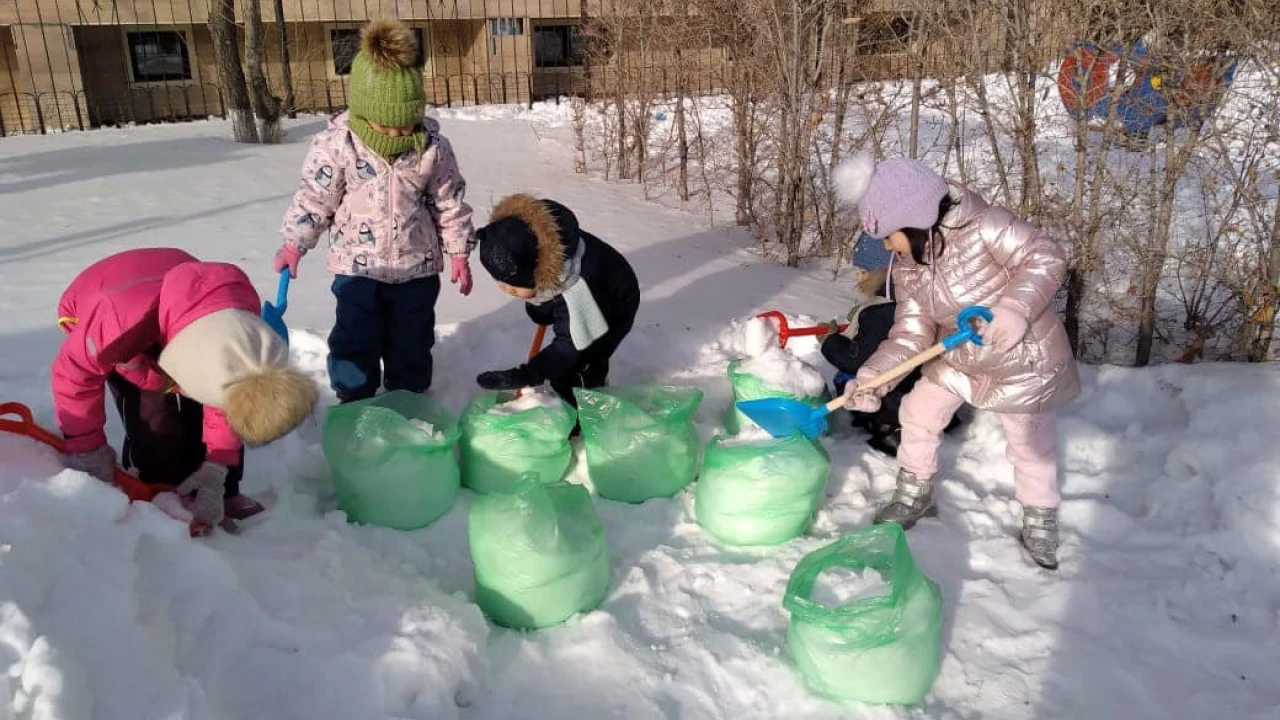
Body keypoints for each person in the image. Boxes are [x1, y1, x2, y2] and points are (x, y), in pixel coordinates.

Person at [833, 151, 1080, 570]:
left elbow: (1045, 256)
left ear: (914, 218)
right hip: (961, 355)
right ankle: (915, 490)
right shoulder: (909, 267)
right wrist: (874, 376)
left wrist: (1015, 310)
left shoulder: (985, 225)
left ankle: (1040, 516)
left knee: (1030, 444)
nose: (887, 246)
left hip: (1022, 359)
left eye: (890, 235)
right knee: (918, 409)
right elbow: (911, 333)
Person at [274, 18, 475, 403]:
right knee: (355, 340)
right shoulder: (337, 146)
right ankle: (355, 401)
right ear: (364, 112)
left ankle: (408, 399)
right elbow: (315, 199)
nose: (399, 135)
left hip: (417, 271)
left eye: (406, 125)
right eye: (388, 126)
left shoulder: (432, 148)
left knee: (412, 344)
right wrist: (294, 243)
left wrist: (460, 253)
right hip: (358, 271)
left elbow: (450, 203)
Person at [53, 247, 319, 528]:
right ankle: (160, 489)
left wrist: (217, 469)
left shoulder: (239, 324)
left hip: (184, 302)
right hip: (112, 303)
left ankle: (221, 489)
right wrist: (87, 447)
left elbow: (229, 398)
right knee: (153, 420)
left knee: (228, 402)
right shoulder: (116, 328)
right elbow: (74, 377)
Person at [472, 194, 640, 412]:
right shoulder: (534, 243)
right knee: (557, 330)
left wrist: (526, 374)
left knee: (581, 362)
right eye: (502, 284)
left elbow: (568, 347)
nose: (507, 291)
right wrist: (541, 307)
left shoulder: (577, 289)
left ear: (538, 275)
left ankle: (585, 409)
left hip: (615, 303)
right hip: (591, 281)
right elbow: (544, 295)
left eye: (513, 287)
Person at [819, 233, 965, 456]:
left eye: (863, 272)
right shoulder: (914, 304)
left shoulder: (881, 312)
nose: (858, 279)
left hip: (897, 395)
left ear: (884, 274)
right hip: (925, 386)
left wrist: (830, 342)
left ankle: (890, 429)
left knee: (848, 379)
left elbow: (857, 360)